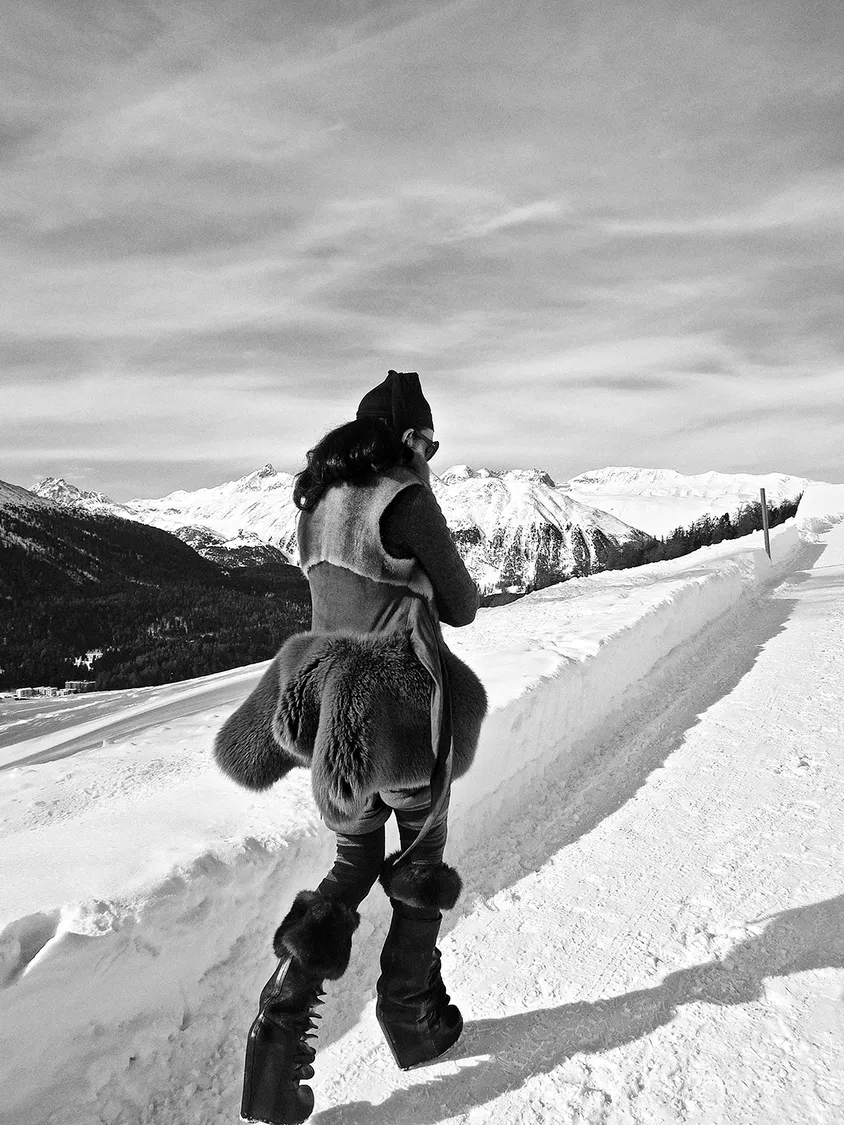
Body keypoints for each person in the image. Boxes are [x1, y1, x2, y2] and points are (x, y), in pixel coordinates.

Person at [216, 371, 486, 1124]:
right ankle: (410, 1011)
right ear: (407, 439)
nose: (431, 454)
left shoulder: (315, 503)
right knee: (420, 856)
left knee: (354, 861)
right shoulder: (405, 497)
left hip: (332, 711)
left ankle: (277, 1035)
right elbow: (463, 605)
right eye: (428, 440)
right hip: (400, 709)